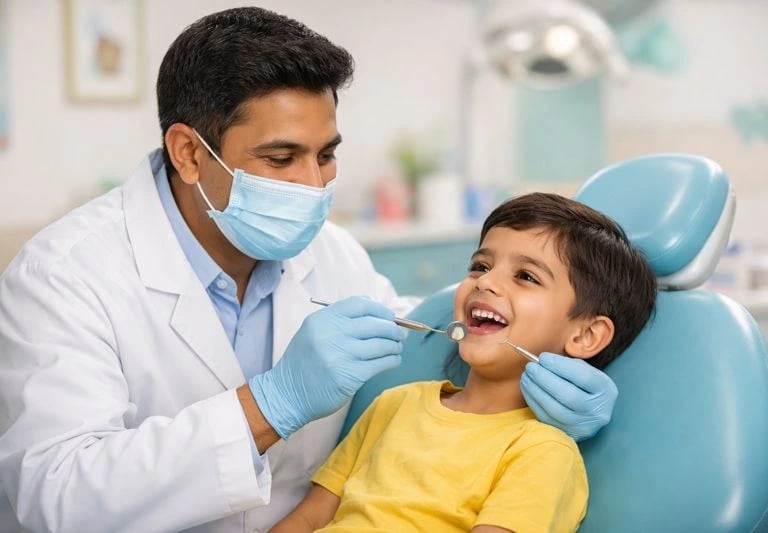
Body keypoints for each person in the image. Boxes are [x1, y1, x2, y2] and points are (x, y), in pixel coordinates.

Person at [0, 7, 619, 532]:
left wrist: (561, 393)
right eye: (280, 157)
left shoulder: (332, 254)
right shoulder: (66, 274)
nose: (312, 184)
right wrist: (270, 405)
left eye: (326, 155)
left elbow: (422, 328)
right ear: (189, 153)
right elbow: (52, 495)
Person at [272, 192, 656, 533]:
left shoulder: (541, 452)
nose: (485, 283)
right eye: (480, 266)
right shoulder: (393, 405)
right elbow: (308, 518)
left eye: (525, 276)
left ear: (585, 335)